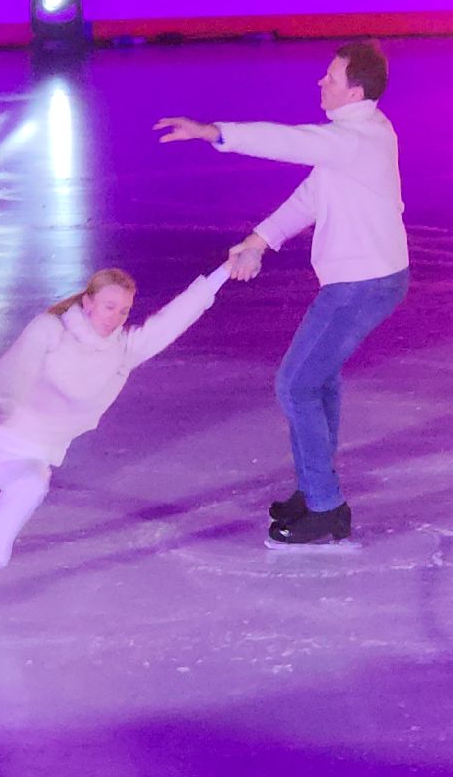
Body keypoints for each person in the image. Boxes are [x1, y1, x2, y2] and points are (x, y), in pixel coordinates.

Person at [0, 264, 230, 610]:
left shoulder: (122, 351)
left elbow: (174, 319)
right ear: (88, 302)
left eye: (123, 311)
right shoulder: (51, 329)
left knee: (32, 484)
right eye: (108, 306)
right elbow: (17, 368)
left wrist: (226, 270)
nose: (114, 318)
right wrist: (0, 401)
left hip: (33, 451)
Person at [154, 40, 407, 546]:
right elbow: (311, 196)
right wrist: (257, 241)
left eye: (330, 78)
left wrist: (213, 132)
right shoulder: (355, 139)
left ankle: (326, 507)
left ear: (354, 91)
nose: (321, 83)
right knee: (318, 380)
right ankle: (317, 487)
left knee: (296, 384)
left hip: (363, 285)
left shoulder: (355, 140)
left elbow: (287, 142)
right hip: (368, 280)